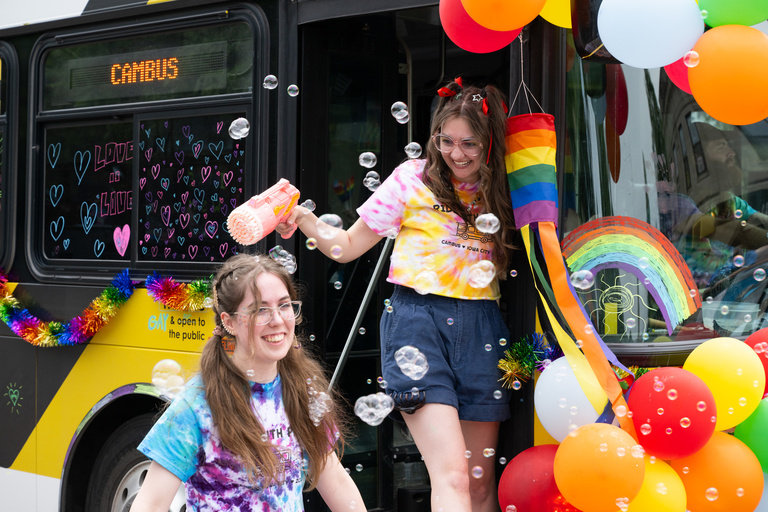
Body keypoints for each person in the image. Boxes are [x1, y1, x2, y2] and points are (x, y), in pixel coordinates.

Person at [278, 78, 517, 512]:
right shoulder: (411, 179)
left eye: (469, 144)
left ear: (489, 143)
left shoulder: (505, 186)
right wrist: (303, 218)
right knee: (453, 476)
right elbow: (346, 246)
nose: (457, 154)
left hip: (483, 325)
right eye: (446, 141)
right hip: (417, 322)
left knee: (482, 486)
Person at [130, 254, 366, 512]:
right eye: (260, 310)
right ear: (228, 321)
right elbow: (150, 504)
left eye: (284, 305)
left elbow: (338, 483)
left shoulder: (302, 391)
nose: (277, 320)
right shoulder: (196, 406)